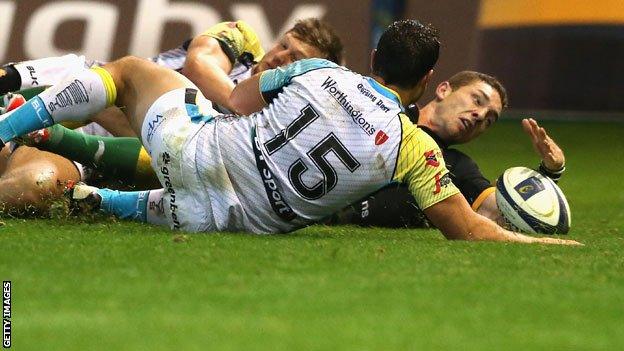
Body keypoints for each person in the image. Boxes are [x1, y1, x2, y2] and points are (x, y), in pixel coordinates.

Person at [0, 19, 580, 245]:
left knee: (127, 71)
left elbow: (231, 99)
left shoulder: (319, 72)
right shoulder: (418, 152)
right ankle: (82, 181)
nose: (480, 117)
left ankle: (19, 123)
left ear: (375, 55)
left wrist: (213, 53)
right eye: (478, 101)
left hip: (197, 155)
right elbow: (471, 228)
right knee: (169, 178)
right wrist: (546, 241)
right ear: (434, 82)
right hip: (229, 220)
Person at [0, 18, 344, 215]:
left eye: (294, 59)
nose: (279, 57)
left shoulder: (264, 128)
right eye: (283, 45)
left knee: (36, 186)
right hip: (78, 89)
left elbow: (160, 152)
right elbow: (199, 64)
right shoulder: (240, 43)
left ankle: (26, 127)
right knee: (80, 72)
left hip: (90, 151)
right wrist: (239, 101)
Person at [331, 71, 566, 228]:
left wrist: (550, 172)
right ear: (444, 90)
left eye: (489, 120)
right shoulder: (386, 113)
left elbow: (501, 213)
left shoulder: (457, 168)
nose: (480, 116)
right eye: (477, 100)